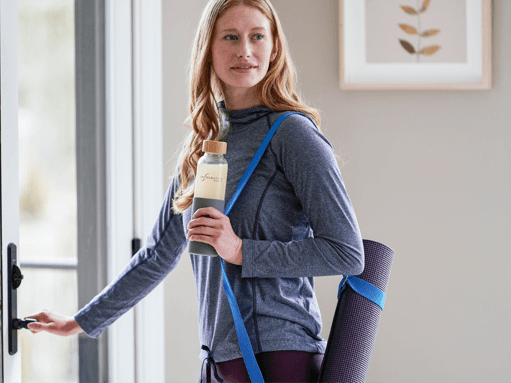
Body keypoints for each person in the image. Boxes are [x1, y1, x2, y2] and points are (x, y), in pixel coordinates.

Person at [26, 1, 363, 382]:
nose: (244, 51)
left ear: (274, 49)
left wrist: (240, 250)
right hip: (219, 359)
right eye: (230, 37)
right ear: (209, 48)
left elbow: (346, 253)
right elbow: (157, 254)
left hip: (278, 356)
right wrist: (80, 322)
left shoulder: (292, 134)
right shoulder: (205, 143)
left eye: (257, 37)